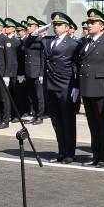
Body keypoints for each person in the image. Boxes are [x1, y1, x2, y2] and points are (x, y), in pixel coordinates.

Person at [26, 12, 80, 163]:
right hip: (50, 85)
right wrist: (36, 31)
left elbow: (77, 66)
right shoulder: (47, 41)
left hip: (65, 85)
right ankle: (61, 151)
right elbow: (28, 44)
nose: (56, 27)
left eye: (59, 25)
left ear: (67, 27)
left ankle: (69, 153)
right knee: (56, 121)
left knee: (67, 121)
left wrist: (76, 86)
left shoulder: (73, 43)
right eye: (54, 25)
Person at [75, 9, 104, 167]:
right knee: (93, 124)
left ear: (101, 26)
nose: (89, 25)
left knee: (103, 124)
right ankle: (96, 154)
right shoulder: (86, 42)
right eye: (88, 23)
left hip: (101, 89)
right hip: (87, 88)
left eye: (92, 23)